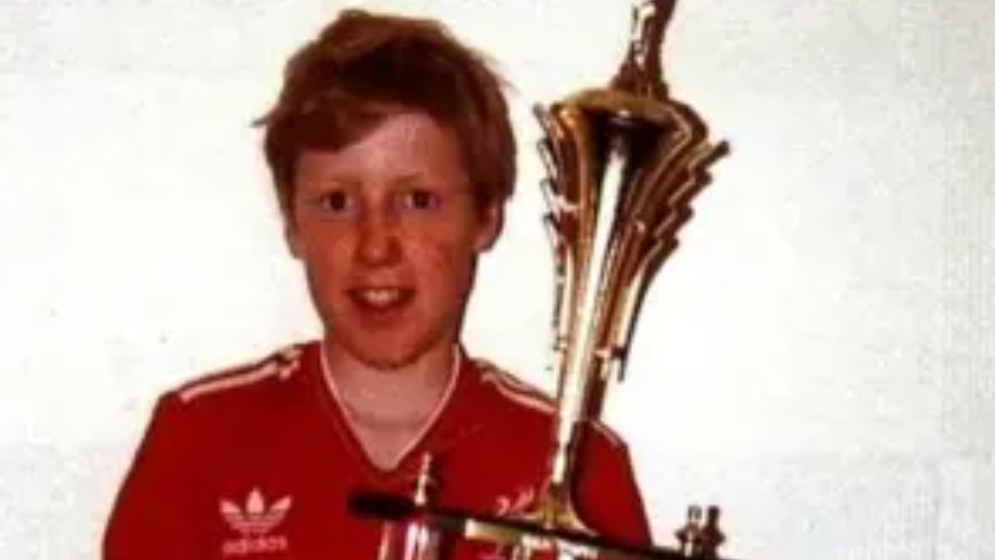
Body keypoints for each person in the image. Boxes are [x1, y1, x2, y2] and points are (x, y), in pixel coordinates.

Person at [102, 8, 651, 560]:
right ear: (292, 225)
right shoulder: (199, 441)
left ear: (486, 216)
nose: (375, 245)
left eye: (418, 201)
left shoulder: (582, 470)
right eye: (337, 202)